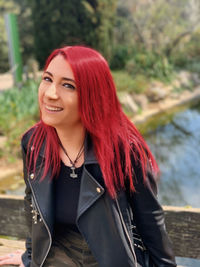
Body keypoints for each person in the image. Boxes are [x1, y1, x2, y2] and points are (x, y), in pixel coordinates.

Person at [0, 45, 176, 267]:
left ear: (93, 95)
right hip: (57, 257)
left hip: (110, 259)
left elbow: (150, 219)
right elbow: (33, 204)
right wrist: (30, 255)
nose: (51, 93)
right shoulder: (34, 143)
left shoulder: (123, 150)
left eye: (68, 85)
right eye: (47, 79)